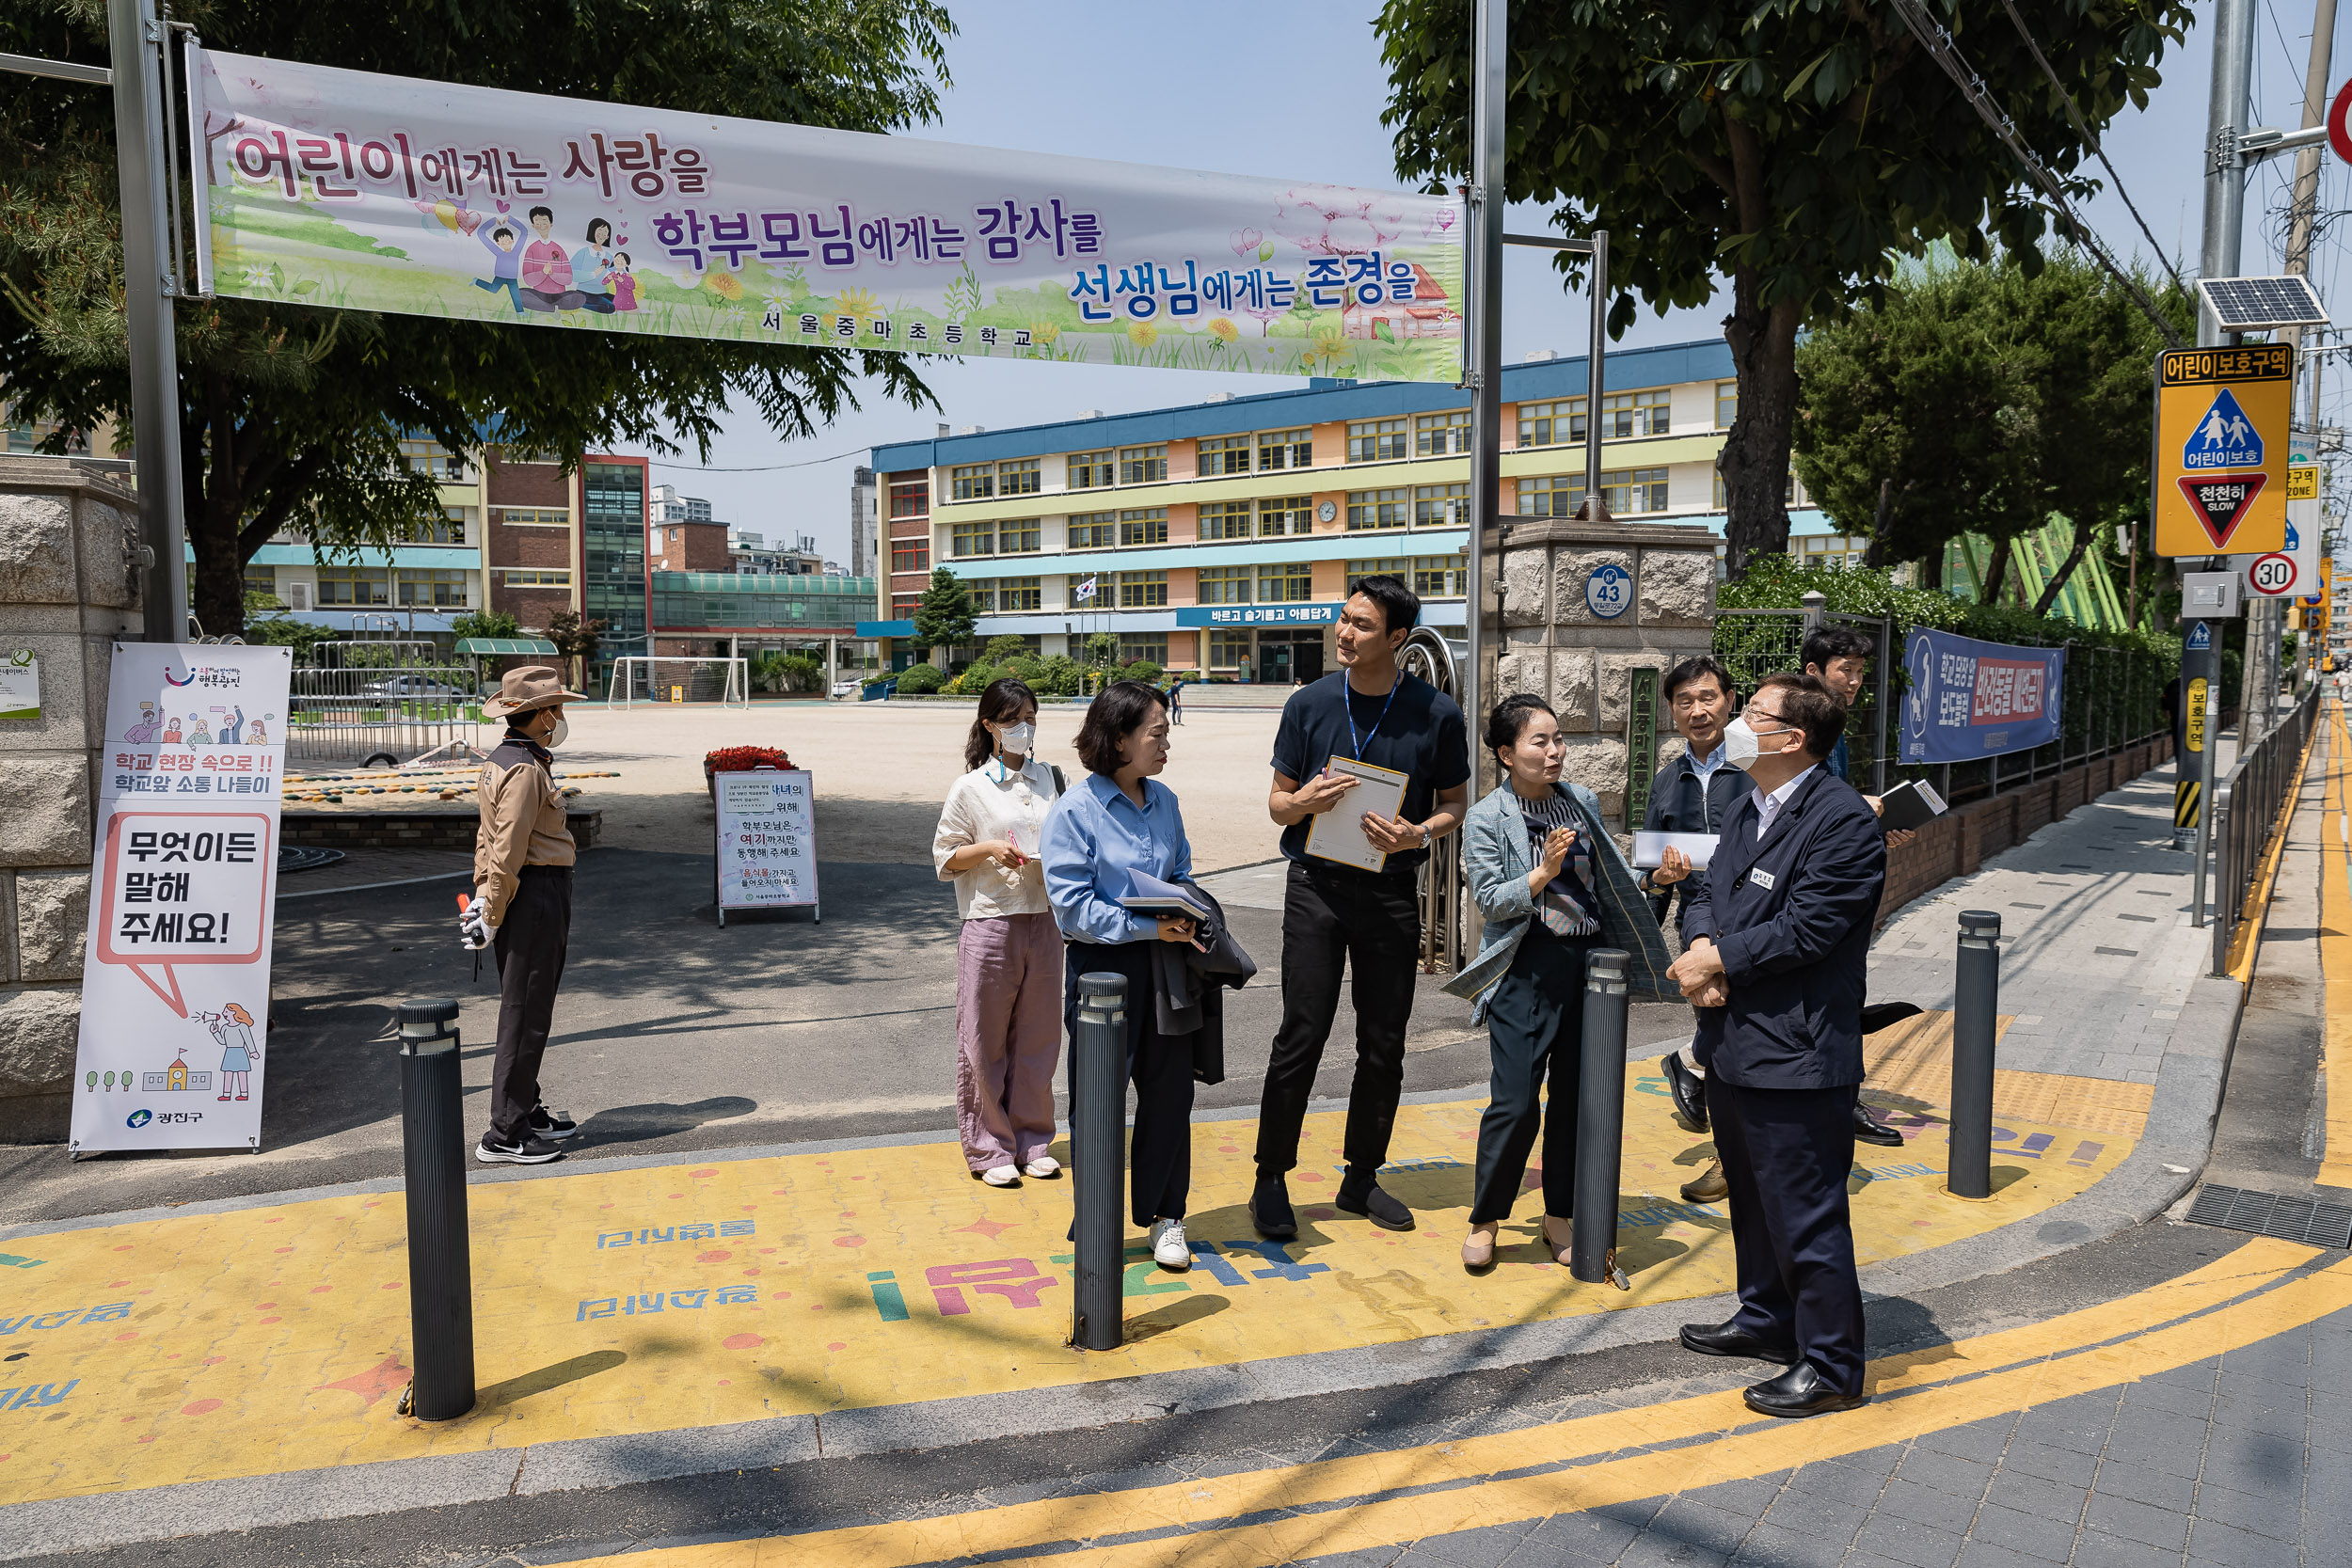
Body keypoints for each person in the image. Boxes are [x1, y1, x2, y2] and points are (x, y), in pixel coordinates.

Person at [1669, 672, 1885, 1418]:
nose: (1730, 718)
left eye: (1750, 713)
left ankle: (1831, 1364)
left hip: (1798, 1050)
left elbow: (1812, 925)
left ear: (1791, 739)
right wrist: (1701, 942)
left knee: (1806, 1211)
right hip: (1733, 1041)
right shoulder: (1744, 805)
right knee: (1754, 1199)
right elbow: (1706, 888)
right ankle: (1767, 1314)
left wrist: (1721, 960)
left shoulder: (1843, 819)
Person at [1252, 576, 1471, 1239]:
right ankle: (1270, 1176)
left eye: (1362, 625)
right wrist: (1307, 802)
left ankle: (1361, 1176)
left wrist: (1419, 832)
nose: (1345, 633)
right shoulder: (1311, 702)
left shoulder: (1436, 713)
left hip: (1390, 894)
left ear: (1398, 639)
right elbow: (1276, 803)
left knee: (1384, 1041)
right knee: (1303, 1032)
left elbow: (1455, 803)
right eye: (1343, 619)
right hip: (1316, 887)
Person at [1446, 695, 1678, 1271]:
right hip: (1525, 966)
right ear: (1506, 753)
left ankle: (1559, 1214)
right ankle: (1486, 1217)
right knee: (1516, 1101)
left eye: (1557, 739)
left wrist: (1656, 881)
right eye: (1539, 742)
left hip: (1589, 967)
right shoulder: (1485, 816)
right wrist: (1542, 873)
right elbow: (1490, 901)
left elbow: (1610, 885)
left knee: (1576, 1098)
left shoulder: (1581, 802)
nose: (1555, 752)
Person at [1041, 680, 1202, 1269]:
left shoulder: (1166, 801)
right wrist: (1145, 927)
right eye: (1156, 734)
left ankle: (1167, 1216)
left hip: (1167, 966)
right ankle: (1095, 1208)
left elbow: (1181, 870)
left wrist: (1182, 909)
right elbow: (1073, 907)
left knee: (1169, 1096)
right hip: (1102, 972)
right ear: (1117, 739)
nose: (1166, 746)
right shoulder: (1074, 811)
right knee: (1099, 1101)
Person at [933, 678, 1064, 1187]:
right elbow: (945, 859)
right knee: (984, 1038)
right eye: (1012, 721)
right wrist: (988, 848)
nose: (1023, 728)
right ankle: (989, 1148)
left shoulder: (1051, 778)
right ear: (989, 725)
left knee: (1039, 1037)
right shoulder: (969, 787)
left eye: (1030, 718)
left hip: (1043, 917)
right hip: (990, 919)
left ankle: (1033, 1140)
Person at [464, 666, 588, 1164]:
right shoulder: (524, 770)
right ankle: (505, 1133)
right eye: (552, 709)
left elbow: (486, 839)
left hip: (524, 891)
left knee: (528, 1006)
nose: (558, 717)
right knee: (525, 1013)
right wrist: (491, 908)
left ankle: (526, 1107)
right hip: (534, 892)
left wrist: (481, 898)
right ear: (531, 716)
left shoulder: (508, 760)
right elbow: (508, 848)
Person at [1635, 656, 1745, 1197]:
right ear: (1672, 713)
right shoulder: (1666, 782)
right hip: (1698, 925)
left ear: (1729, 700)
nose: (1698, 711)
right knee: (1722, 1036)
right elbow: (1650, 872)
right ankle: (1729, 1159)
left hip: (1757, 922)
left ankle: (1689, 1068)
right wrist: (1658, 886)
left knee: (1753, 1035)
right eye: (1685, 702)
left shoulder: (1757, 766)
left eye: (1708, 698)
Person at [1801, 626, 1914, 1150]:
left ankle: (1841, 1102)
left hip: (1838, 881)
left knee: (1840, 999)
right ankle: (1695, 1066)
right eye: (1845, 670)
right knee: (1828, 1001)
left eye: (1860, 673)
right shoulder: (1797, 730)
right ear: (1814, 672)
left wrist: (1872, 820)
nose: (1855, 681)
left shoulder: (1836, 728)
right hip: (1812, 891)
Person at [572, 218, 618, 314]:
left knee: (621, 303)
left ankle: (581, 302)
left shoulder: (609, 257)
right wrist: (593, 274)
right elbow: (572, 273)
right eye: (599, 231)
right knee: (610, 308)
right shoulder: (584, 252)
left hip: (600, 291)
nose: (602, 235)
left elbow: (618, 271)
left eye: (605, 232)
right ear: (593, 232)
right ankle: (579, 303)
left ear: (608, 236)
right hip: (584, 292)